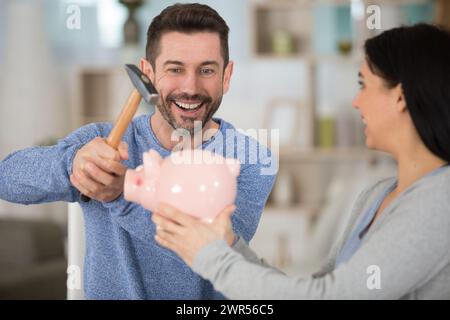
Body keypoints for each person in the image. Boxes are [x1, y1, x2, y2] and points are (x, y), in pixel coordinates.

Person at [152, 23, 450, 299]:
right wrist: (229, 245)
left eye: (364, 84)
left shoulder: (439, 202)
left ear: (400, 97)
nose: (355, 101)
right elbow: (318, 286)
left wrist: (210, 258)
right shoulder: (376, 195)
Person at [0, 3, 276, 299]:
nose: (190, 86)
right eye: (175, 69)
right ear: (148, 72)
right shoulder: (101, 140)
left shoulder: (251, 159)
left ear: (226, 75)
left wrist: (123, 194)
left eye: (206, 70)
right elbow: (7, 178)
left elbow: (212, 249)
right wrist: (72, 165)